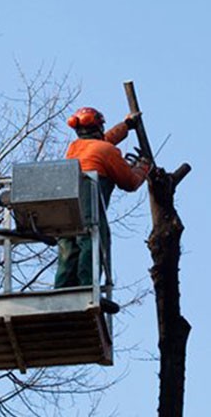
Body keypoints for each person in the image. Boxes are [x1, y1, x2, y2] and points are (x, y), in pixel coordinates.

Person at [54, 106, 151, 303]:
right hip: (90, 202)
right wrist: (143, 167)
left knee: (69, 245)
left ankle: (62, 294)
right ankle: (87, 291)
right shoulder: (107, 150)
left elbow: (101, 143)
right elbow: (130, 182)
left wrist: (126, 126)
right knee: (93, 240)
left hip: (67, 205)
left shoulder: (75, 147)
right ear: (98, 127)